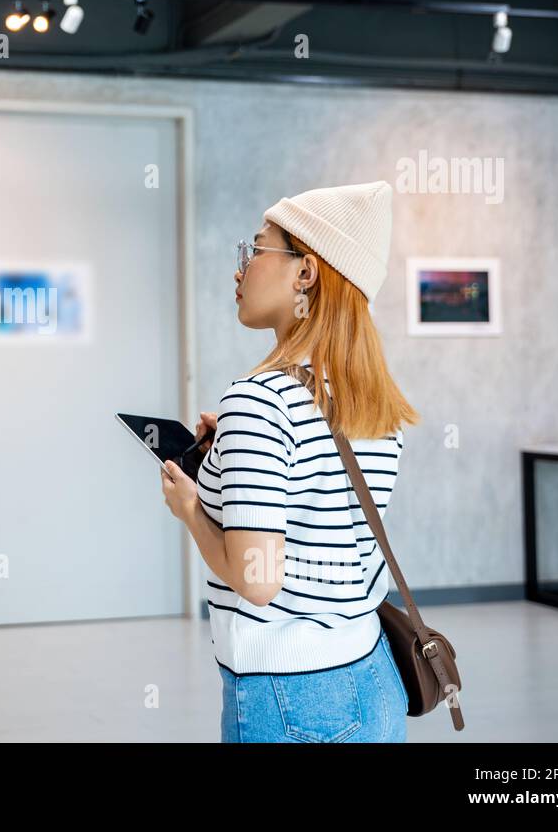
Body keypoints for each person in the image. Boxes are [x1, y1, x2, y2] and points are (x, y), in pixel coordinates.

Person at [159, 180, 419, 742]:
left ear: (305, 273)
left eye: (254, 250)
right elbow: (321, 510)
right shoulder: (377, 405)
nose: (240, 269)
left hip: (289, 697)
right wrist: (232, 450)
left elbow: (257, 581)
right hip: (374, 676)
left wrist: (190, 510)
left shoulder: (258, 400)